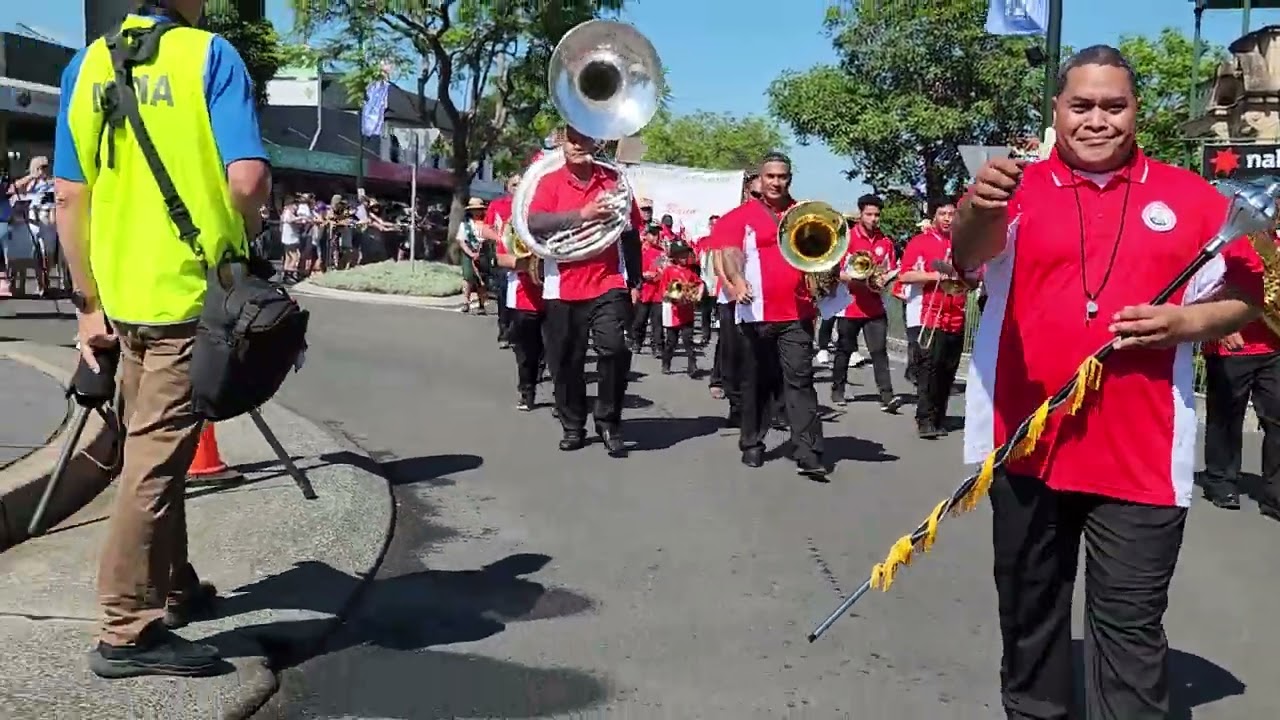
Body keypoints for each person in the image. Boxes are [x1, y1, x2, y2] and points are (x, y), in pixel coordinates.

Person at [954, 45, 1264, 720]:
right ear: (1057, 110)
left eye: (1113, 106)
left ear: (1135, 111)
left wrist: (1187, 321)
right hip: (1026, 444)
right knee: (1030, 614)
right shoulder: (1013, 187)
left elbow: (1249, 294)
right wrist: (979, 205)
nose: (1097, 120)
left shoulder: (1193, 197)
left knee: (1130, 629)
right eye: (1082, 106)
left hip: (1142, 457)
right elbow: (968, 256)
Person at [54, 0, 271, 678]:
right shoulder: (210, 55)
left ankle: (176, 586)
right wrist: (248, 229)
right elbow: (247, 179)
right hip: (190, 297)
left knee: (154, 448)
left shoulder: (86, 64)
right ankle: (126, 628)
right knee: (153, 461)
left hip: (122, 301)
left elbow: (68, 195)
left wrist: (88, 305)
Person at [525, 124, 645, 457]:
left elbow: (630, 231)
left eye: (584, 139)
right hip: (562, 284)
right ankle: (573, 424)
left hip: (608, 280)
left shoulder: (614, 180)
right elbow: (535, 222)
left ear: (595, 142)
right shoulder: (549, 182)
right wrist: (583, 215)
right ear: (563, 144)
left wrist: (635, 281)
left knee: (615, 350)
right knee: (566, 361)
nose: (578, 146)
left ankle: (608, 421)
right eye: (572, 140)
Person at [713, 152, 826, 478]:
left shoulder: (805, 214)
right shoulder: (738, 217)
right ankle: (752, 442)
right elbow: (731, 253)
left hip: (797, 313)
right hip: (756, 314)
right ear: (760, 179)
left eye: (782, 176)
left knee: (800, 380)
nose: (776, 182)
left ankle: (809, 452)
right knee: (756, 382)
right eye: (770, 176)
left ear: (790, 178)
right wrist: (737, 280)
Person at [900, 199, 966, 438]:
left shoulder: (963, 244)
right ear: (934, 216)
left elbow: (974, 276)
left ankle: (939, 417)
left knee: (948, 371)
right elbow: (905, 275)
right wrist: (935, 275)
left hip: (956, 314)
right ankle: (925, 420)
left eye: (952, 214)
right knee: (929, 370)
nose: (948, 218)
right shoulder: (920, 242)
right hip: (929, 315)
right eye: (942, 214)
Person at [1201, 320, 1280, 519]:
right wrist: (1221, 326)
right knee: (1225, 418)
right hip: (1231, 344)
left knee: (1278, 420)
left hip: (1275, 345)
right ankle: (1220, 481)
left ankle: (1275, 495)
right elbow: (1201, 298)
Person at [830, 194, 901, 412]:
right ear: (860, 214)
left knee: (879, 351)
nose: (873, 219)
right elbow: (835, 272)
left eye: (877, 215)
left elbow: (890, 270)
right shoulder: (847, 239)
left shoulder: (885, 242)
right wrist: (859, 280)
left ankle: (887, 395)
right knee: (844, 349)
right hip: (850, 304)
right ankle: (838, 389)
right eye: (869, 214)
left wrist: (884, 279)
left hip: (874, 306)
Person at [492, 213, 546, 411]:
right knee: (526, 352)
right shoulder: (514, 224)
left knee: (557, 351)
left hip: (557, 296)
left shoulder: (556, 218)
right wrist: (531, 262)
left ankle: (563, 399)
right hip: (524, 299)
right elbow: (501, 258)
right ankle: (527, 391)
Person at [485, 175, 521, 346]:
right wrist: (500, 238)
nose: (517, 187)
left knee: (523, 300)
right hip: (504, 257)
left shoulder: (531, 204)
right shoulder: (497, 205)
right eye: (514, 184)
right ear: (507, 187)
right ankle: (504, 331)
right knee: (505, 295)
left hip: (526, 259)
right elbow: (486, 229)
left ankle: (517, 332)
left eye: (521, 184)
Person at [659, 241, 703, 375]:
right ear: (675, 256)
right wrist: (673, 295)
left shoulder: (690, 271)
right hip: (673, 313)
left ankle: (692, 365)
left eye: (685, 253)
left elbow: (700, 284)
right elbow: (663, 291)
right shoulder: (669, 271)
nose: (684, 257)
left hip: (687, 312)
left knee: (688, 340)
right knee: (671, 342)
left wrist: (697, 295)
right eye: (681, 254)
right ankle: (666, 363)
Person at [629, 223, 665, 354]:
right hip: (644, 291)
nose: (656, 237)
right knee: (640, 320)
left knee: (657, 321)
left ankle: (657, 346)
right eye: (653, 234)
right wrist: (643, 275)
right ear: (646, 235)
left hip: (657, 292)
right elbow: (634, 270)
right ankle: (637, 342)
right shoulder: (639, 251)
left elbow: (662, 270)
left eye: (657, 234)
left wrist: (658, 273)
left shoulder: (661, 252)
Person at [456, 197, 491, 315]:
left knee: (481, 279)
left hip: (483, 253)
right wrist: (471, 253)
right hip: (468, 253)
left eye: (479, 209)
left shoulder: (487, 223)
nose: (477, 212)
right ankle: (466, 302)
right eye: (474, 209)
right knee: (468, 278)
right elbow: (461, 241)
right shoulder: (465, 224)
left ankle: (481, 305)